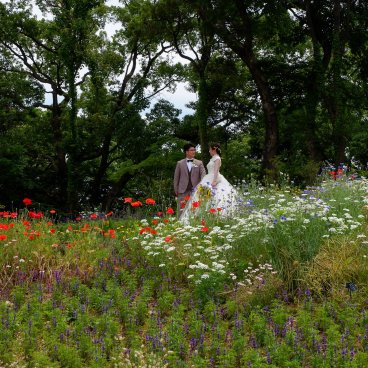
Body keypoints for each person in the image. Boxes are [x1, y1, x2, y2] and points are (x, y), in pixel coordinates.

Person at [180, 142, 238, 223]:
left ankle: (217, 217)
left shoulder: (217, 158)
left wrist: (214, 181)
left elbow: (216, 171)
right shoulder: (213, 158)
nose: (209, 151)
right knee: (203, 197)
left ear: (214, 149)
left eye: (210, 149)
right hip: (208, 178)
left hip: (213, 179)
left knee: (216, 197)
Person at [174, 143, 206, 216]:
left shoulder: (199, 163)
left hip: (195, 190)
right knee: (181, 211)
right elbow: (176, 177)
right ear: (186, 152)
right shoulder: (180, 163)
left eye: (194, 150)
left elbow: (203, 175)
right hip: (182, 191)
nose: (194, 151)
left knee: (195, 210)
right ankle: (180, 225)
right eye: (192, 150)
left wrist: (201, 187)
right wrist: (176, 190)